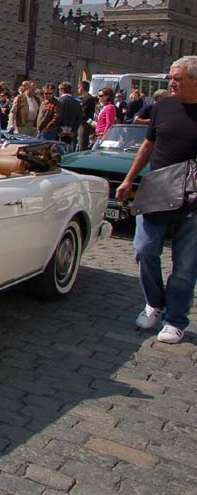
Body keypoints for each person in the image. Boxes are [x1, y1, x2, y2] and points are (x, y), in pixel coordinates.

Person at [115, 56, 197, 344]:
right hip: (157, 190)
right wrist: (128, 179)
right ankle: (155, 303)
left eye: (178, 79)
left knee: (185, 265)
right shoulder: (163, 107)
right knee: (144, 249)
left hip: (193, 197)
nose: (171, 82)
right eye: (171, 78)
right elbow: (148, 145)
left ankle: (175, 320)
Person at [56, 82, 82, 150]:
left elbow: (56, 117)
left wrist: (58, 130)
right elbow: (79, 118)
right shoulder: (77, 102)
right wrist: (74, 130)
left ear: (61, 90)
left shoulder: (58, 101)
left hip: (59, 131)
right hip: (71, 131)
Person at [78, 81, 97, 152]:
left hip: (85, 123)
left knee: (82, 144)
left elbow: (83, 112)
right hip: (83, 122)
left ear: (82, 88)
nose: (78, 89)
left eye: (78, 88)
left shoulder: (89, 99)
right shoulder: (84, 98)